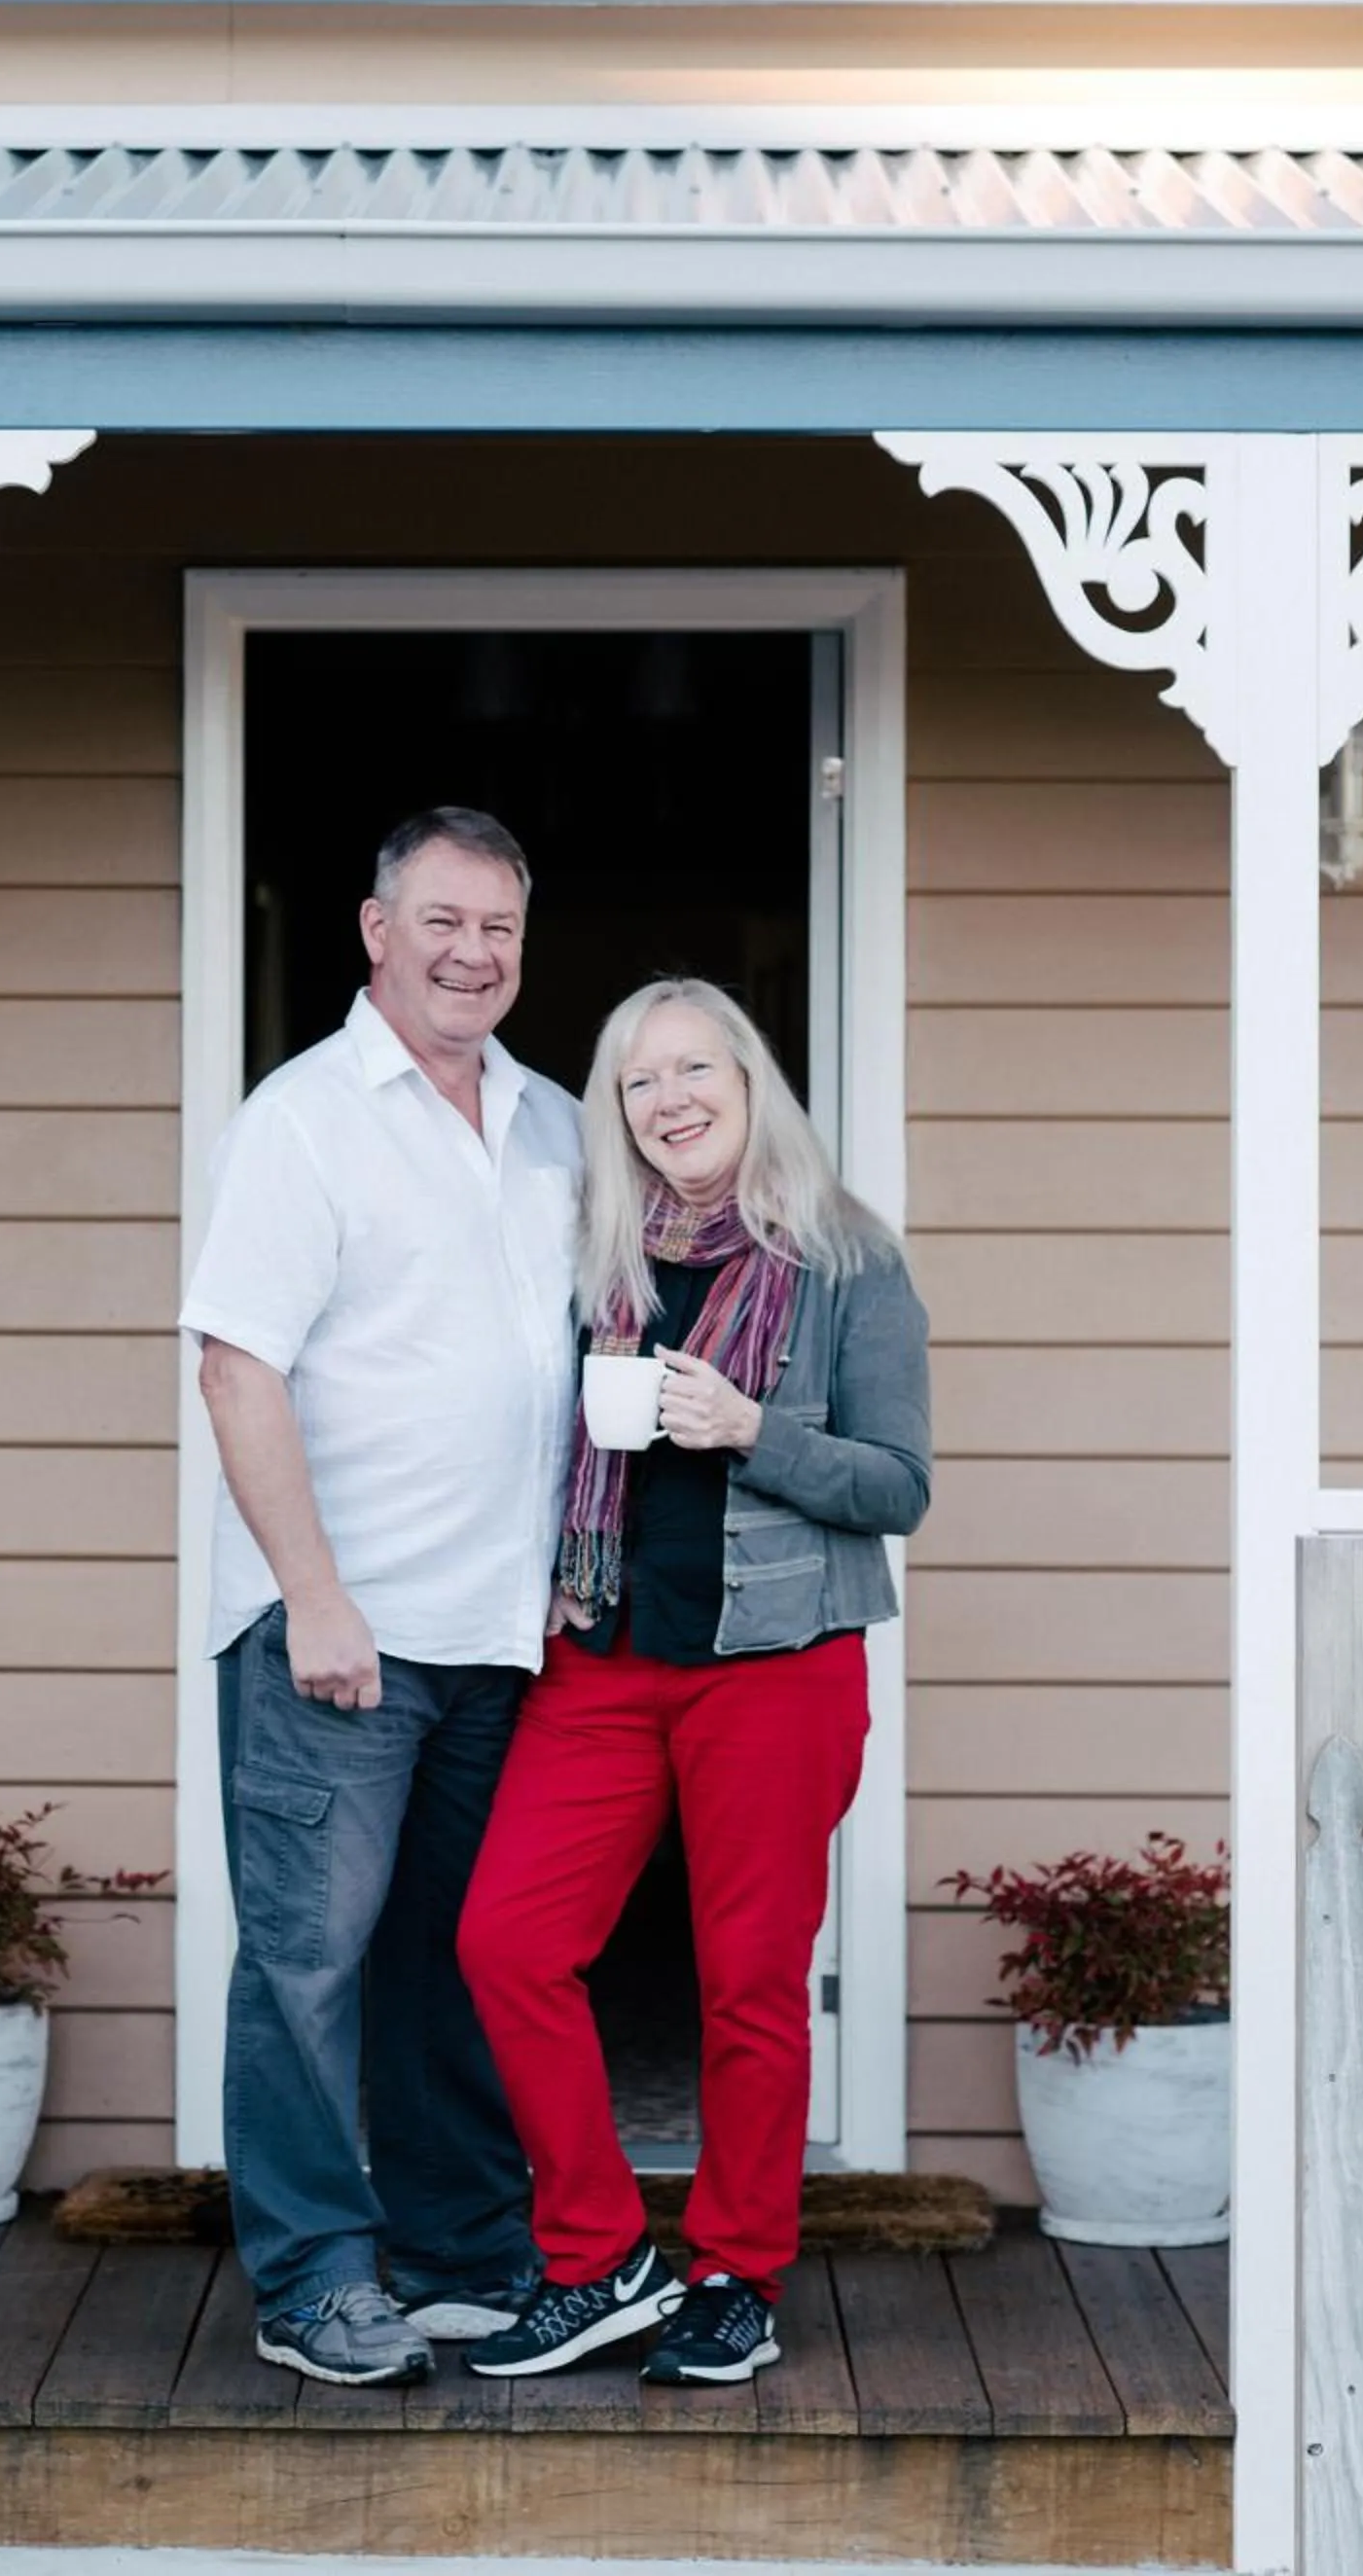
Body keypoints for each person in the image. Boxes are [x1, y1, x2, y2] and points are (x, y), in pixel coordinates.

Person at [457, 978, 931, 2385]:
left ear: (747, 1077)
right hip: (599, 1657)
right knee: (507, 1943)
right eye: (636, 1081)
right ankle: (598, 2259)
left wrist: (751, 1430)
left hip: (774, 1673)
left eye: (691, 1069)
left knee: (749, 1986)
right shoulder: (594, 1262)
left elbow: (899, 1486)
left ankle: (737, 2273)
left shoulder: (850, 1261)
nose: (668, 1100)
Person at [180, 806, 582, 2386]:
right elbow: (233, 1366)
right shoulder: (302, 1119)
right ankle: (314, 2284)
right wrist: (314, 1596)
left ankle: (466, 2249)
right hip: (336, 1632)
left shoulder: (552, 1121)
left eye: (498, 928)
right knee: (308, 1962)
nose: (471, 953)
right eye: (441, 920)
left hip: (501, 1631)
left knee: (454, 1951)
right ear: (374, 929)